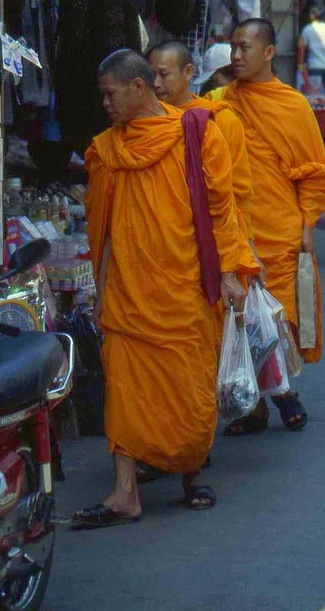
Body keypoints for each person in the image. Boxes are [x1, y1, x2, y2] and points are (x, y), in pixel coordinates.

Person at [74, 49, 249, 526]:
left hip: (185, 288)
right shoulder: (107, 151)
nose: (106, 104)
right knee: (125, 391)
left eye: (111, 94)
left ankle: (192, 473)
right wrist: (100, 287)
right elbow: (103, 229)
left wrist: (231, 271)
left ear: (138, 87)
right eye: (102, 96)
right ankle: (124, 491)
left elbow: (221, 208)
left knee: (188, 391)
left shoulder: (196, 133)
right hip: (128, 292)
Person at [223, 18, 325, 434]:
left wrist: (307, 225)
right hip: (238, 232)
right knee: (240, 318)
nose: (236, 55)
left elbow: (315, 172)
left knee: (279, 318)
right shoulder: (220, 101)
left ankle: (284, 393)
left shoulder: (293, 105)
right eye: (233, 47)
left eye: (245, 48)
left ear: (269, 52)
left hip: (282, 228)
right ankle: (255, 405)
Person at [148, 40, 258, 273]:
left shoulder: (220, 120)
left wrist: (246, 250)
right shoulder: (143, 123)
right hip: (153, 249)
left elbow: (238, 193)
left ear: (188, 72)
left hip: (205, 246)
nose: (156, 84)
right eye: (151, 75)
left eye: (164, 74)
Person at [297, 0, 325, 93]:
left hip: (314, 69)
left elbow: (301, 53)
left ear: (311, 15)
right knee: (324, 98)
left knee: (314, 97)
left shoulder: (307, 30)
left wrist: (303, 74)